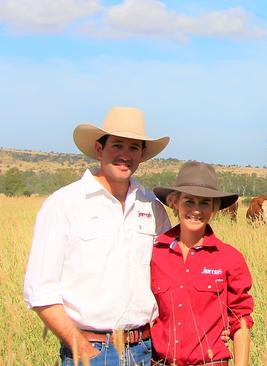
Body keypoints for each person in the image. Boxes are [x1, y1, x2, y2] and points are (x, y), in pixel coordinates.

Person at [23, 106, 172, 365]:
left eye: (134, 148)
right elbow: (40, 290)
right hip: (92, 350)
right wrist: (81, 347)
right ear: (99, 149)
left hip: (146, 349)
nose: (125, 155)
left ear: (142, 155)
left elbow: (171, 275)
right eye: (117, 145)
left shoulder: (152, 208)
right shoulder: (64, 204)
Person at [151, 161, 254, 366]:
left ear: (214, 208)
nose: (196, 210)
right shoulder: (154, 254)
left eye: (205, 203)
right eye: (189, 201)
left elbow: (240, 318)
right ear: (174, 202)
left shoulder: (229, 258)